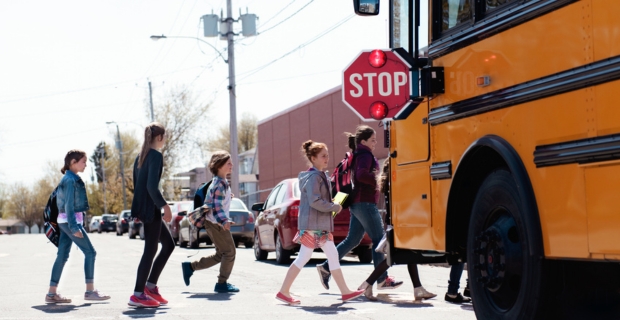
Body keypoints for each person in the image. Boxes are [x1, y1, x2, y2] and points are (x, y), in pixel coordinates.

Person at [275, 140, 365, 305]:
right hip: (314, 226)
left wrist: (332, 205)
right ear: (313, 158)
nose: (327, 158)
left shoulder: (318, 175)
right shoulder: (314, 176)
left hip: (317, 225)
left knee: (325, 255)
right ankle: (284, 291)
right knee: (308, 257)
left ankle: (344, 291)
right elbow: (314, 200)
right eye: (323, 156)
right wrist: (333, 206)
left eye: (327, 155)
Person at [317, 125, 402, 291]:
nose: (375, 143)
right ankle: (382, 279)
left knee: (353, 240)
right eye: (372, 140)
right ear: (363, 141)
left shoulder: (358, 154)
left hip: (357, 202)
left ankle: (326, 267)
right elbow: (362, 175)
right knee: (379, 240)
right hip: (365, 202)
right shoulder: (365, 154)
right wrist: (378, 179)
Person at [357, 158, 436, 301]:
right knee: (394, 258)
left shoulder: (390, 183)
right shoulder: (396, 183)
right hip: (401, 224)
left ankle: (418, 288)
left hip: (397, 223)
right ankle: (367, 284)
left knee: (408, 255)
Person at [46, 150, 110, 303]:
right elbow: (68, 205)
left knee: (62, 256)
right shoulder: (70, 180)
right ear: (73, 162)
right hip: (70, 222)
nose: (86, 165)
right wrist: (75, 227)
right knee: (90, 252)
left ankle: (51, 294)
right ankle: (89, 291)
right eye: (83, 161)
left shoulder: (70, 178)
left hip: (64, 221)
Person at [128, 122, 175, 308]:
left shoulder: (140, 156)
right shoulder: (155, 155)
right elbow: (150, 187)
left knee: (168, 244)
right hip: (151, 208)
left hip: (144, 208)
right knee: (151, 249)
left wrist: (137, 210)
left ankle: (150, 286)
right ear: (160, 137)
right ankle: (138, 294)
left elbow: (136, 185)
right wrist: (165, 206)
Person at [182, 151, 240, 293]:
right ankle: (221, 283)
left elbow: (216, 201)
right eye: (228, 163)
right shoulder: (219, 183)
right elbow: (216, 206)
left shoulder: (220, 182)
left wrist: (227, 197)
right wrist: (224, 221)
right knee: (230, 252)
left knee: (221, 254)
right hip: (216, 223)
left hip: (212, 222)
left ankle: (190, 267)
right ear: (219, 165)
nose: (232, 165)